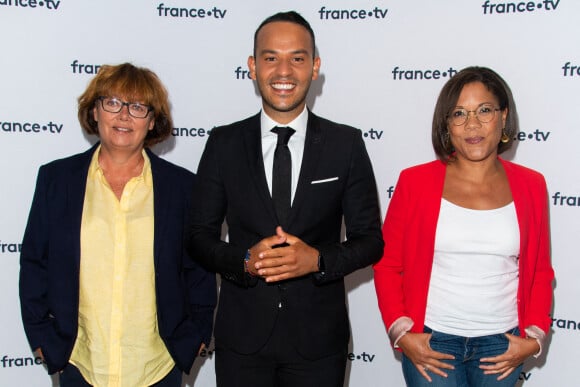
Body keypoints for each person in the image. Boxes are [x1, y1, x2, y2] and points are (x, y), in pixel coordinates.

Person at [187, 11, 384, 387]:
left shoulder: (346, 144)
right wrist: (245, 261)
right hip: (242, 338)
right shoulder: (223, 143)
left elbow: (370, 241)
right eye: (270, 57)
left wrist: (317, 260)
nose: (284, 71)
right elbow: (198, 236)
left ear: (315, 67)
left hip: (318, 341)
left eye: (297, 58)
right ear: (252, 66)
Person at [19, 63, 216, 386]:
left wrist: (195, 337)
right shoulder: (56, 181)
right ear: (94, 111)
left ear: (152, 121)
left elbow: (199, 271)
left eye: (138, 107)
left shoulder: (182, 188)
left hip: (157, 366)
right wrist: (43, 338)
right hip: (80, 364)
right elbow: (34, 264)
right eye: (112, 103)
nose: (124, 116)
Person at [374, 66, 554, 387]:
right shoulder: (415, 182)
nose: (473, 124)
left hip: (501, 346)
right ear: (446, 126)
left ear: (503, 116)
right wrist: (402, 332)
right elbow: (388, 265)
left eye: (484, 110)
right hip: (432, 342)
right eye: (459, 113)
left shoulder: (531, 185)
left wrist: (535, 337)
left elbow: (539, 271)